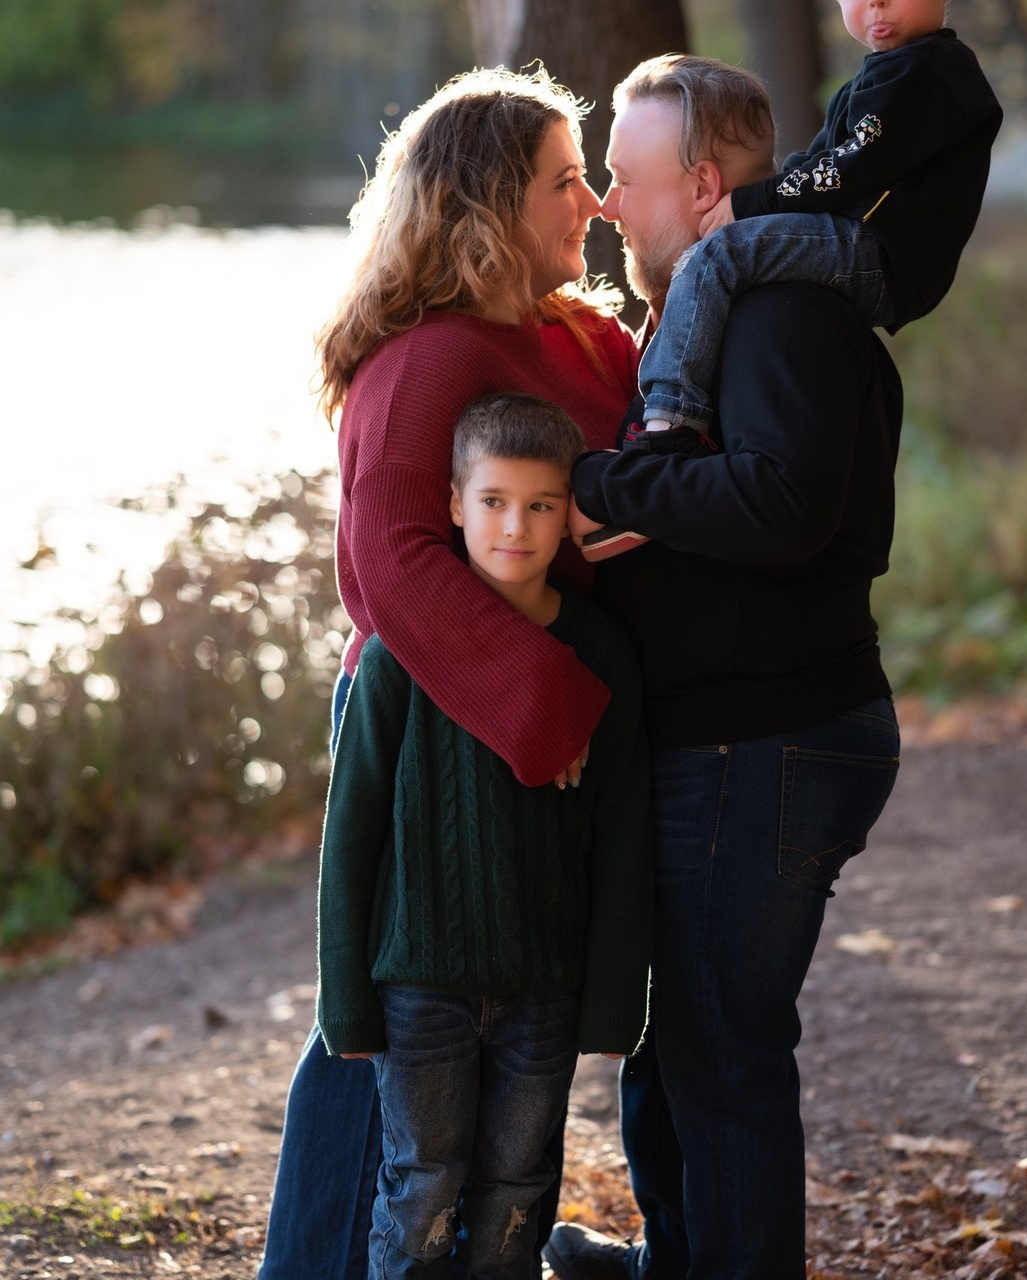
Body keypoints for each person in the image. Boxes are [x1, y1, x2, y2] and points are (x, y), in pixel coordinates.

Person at [258, 65, 640, 1280]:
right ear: (483, 202)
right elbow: (388, 556)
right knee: (379, 1017)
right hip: (434, 712)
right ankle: (312, 1263)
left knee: (512, 1021)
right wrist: (544, 703)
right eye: (562, 180)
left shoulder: (572, 329)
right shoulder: (427, 357)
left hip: (553, 710)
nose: (589, 202)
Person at [542, 55, 904, 1280]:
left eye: (621, 178)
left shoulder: (780, 308)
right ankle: (677, 1260)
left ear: (701, 186)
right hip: (734, 736)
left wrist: (590, 484)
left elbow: (783, 503)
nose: (602, 203)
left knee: (722, 1052)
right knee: (680, 1047)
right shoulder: (708, 311)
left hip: (772, 736)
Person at [316, 393, 652, 1280]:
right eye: (495, 501)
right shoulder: (399, 656)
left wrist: (617, 997)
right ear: (455, 504)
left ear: (570, 512)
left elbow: (622, 835)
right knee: (422, 1187)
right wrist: (345, 998)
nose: (516, 527)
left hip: (544, 986)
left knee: (518, 1189)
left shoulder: (602, 654)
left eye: (542, 505)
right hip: (419, 987)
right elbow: (349, 834)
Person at [579, 0, 1001, 562]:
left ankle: (667, 432)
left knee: (717, 254)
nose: (873, 3)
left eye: (622, 179)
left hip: (881, 252)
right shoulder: (886, 74)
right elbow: (824, 159)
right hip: (862, 244)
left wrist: (750, 204)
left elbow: (844, 169)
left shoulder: (930, 74)